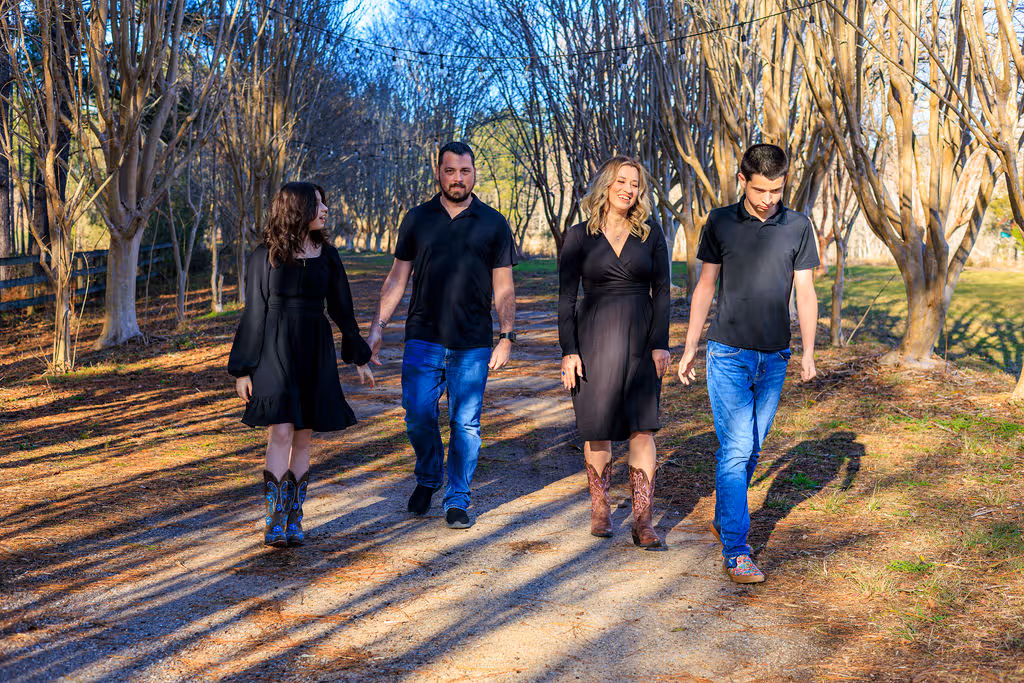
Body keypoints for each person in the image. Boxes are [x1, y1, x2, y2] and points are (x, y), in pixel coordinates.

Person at [677, 144, 819, 583]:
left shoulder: (797, 225)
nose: (769, 199)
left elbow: (806, 292)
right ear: (742, 180)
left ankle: (726, 516)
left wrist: (809, 351)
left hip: (775, 356)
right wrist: (689, 347)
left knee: (752, 448)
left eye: (776, 189)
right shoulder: (720, 222)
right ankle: (737, 550)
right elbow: (705, 287)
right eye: (761, 190)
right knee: (737, 449)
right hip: (728, 353)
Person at [366, 141, 517, 529]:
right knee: (417, 414)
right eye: (450, 171)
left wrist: (507, 335)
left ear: (474, 174)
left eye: (464, 171)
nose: (457, 178)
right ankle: (429, 475)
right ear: (438, 173)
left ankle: (457, 498)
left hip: (473, 342)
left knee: (466, 423)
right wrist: (377, 326)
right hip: (423, 336)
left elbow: (504, 286)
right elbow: (398, 277)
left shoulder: (494, 223)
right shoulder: (417, 218)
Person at [228, 182, 375, 547]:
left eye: (325, 202)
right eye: (318, 203)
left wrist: (359, 357)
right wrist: (243, 368)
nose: (325, 209)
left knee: (304, 435)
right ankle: (274, 520)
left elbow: (342, 309)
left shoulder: (328, 254)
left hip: (315, 349)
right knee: (280, 430)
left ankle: (295, 517)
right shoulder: (266, 255)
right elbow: (254, 312)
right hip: (274, 350)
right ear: (298, 208)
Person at [558, 155, 671, 548]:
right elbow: (566, 299)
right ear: (606, 185)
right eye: (621, 181)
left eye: (635, 184)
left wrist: (660, 344)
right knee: (599, 425)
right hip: (593, 338)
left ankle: (643, 519)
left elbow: (663, 293)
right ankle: (600, 507)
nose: (628, 189)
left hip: (641, 338)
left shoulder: (651, 234)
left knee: (643, 426)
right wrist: (569, 351)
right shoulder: (577, 236)